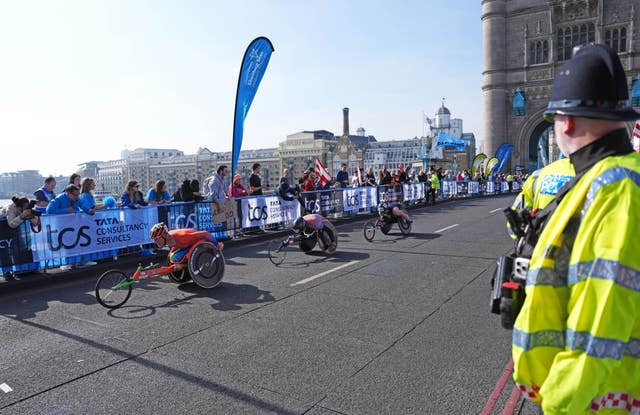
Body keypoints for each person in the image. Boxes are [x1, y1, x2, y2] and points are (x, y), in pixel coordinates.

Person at [511, 44, 640, 414]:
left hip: (600, 401)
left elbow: (599, 324)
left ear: (565, 121)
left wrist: (559, 403)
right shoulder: (599, 179)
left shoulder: (618, 188)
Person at [150, 222, 223, 257]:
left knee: (180, 256)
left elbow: (205, 234)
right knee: (172, 256)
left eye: (156, 239)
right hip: (185, 244)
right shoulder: (168, 240)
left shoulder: (182, 237)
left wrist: (217, 244)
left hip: (196, 242)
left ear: (164, 235)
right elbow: (176, 246)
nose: (155, 242)